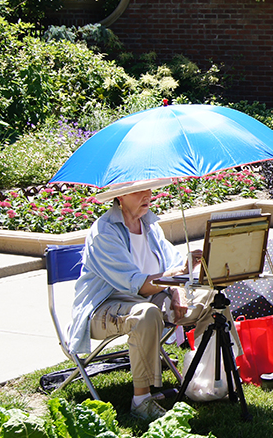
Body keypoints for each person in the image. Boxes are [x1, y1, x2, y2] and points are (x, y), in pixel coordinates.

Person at [68, 179, 220, 421]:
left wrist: (175, 289)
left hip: (150, 297)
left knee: (212, 297)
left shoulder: (150, 224)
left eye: (149, 189)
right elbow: (137, 283)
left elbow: (171, 265)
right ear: (120, 196)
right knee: (146, 313)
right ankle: (141, 401)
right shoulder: (104, 233)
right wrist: (174, 277)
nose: (148, 194)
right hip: (103, 308)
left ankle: (209, 376)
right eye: (139, 190)